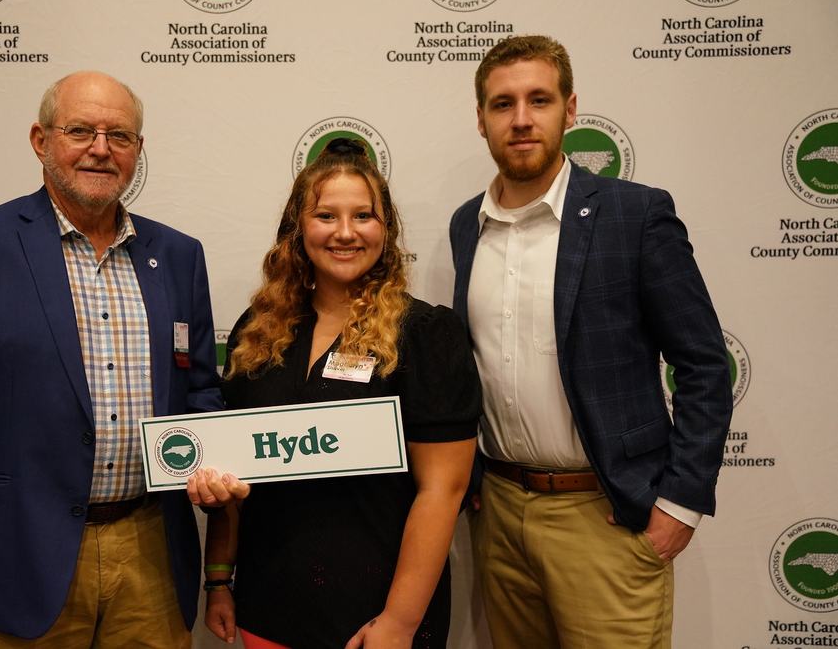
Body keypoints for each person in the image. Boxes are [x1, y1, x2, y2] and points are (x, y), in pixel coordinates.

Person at [0, 71, 245, 649]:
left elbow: (201, 392)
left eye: (120, 136)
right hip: (18, 557)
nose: (101, 149)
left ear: (138, 150)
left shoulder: (178, 256)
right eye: (80, 130)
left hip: (152, 553)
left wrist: (212, 463)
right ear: (40, 140)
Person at [449, 34, 733, 648]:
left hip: (605, 516)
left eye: (539, 100)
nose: (521, 120)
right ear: (480, 120)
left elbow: (705, 365)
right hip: (499, 511)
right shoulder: (466, 223)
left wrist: (679, 504)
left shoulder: (635, 216)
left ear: (570, 109)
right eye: (502, 104)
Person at [196, 138, 481, 649]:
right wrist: (219, 578)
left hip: (375, 616)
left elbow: (443, 491)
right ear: (298, 228)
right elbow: (232, 475)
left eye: (364, 216)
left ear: (385, 229)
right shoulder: (257, 332)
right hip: (268, 603)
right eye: (326, 215)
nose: (345, 233)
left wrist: (398, 622)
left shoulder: (426, 333)